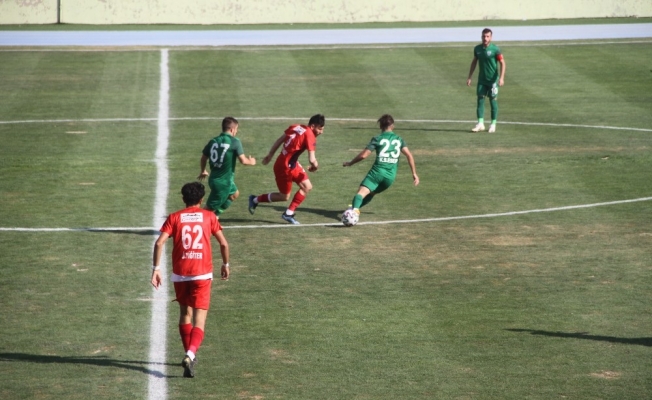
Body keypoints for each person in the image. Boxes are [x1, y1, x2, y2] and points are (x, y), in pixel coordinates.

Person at [151, 182, 230, 378]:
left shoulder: (174, 217)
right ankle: (191, 354)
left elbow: (159, 243)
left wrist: (156, 269)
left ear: (183, 199)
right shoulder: (209, 216)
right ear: (201, 199)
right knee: (199, 320)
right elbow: (223, 243)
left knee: (184, 313)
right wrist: (225, 264)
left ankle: (189, 355)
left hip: (180, 274)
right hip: (202, 274)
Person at [248, 114, 325, 225]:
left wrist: (270, 155)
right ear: (313, 126)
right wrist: (315, 166)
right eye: (320, 129)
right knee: (284, 196)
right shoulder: (310, 135)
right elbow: (312, 160)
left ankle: (288, 213)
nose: (321, 132)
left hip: (291, 164)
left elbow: (280, 140)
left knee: (307, 186)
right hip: (284, 167)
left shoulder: (296, 126)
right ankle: (255, 199)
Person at [342, 114, 419, 218]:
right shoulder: (399, 139)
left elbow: (364, 155)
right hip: (390, 178)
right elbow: (409, 155)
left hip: (377, 173)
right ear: (393, 125)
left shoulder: (377, 138)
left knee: (361, 193)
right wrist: (414, 173)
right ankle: (354, 208)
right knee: (372, 193)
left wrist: (350, 163)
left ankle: (353, 213)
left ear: (380, 126)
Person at [198, 117, 256, 215]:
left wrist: (203, 170)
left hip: (214, 179)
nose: (237, 131)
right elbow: (243, 161)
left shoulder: (213, 141)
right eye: (236, 129)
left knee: (234, 194)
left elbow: (203, 158)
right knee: (207, 211)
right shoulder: (234, 141)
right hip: (223, 183)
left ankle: (216, 215)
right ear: (232, 129)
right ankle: (200, 221)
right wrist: (252, 161)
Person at [466, 28, 506, 133]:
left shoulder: (495, 49)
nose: (485, 38)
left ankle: (493, 124)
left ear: (491, 37)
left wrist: (501, 78)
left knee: (493, 101)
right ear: (481, 37)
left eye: (488, 36)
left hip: (493, 81)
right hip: (482, 80)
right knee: (480, 100)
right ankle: (480, 123)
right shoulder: (477, 49)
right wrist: (470, 77)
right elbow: (474, 62)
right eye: (484, 36)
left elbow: (502, 63)